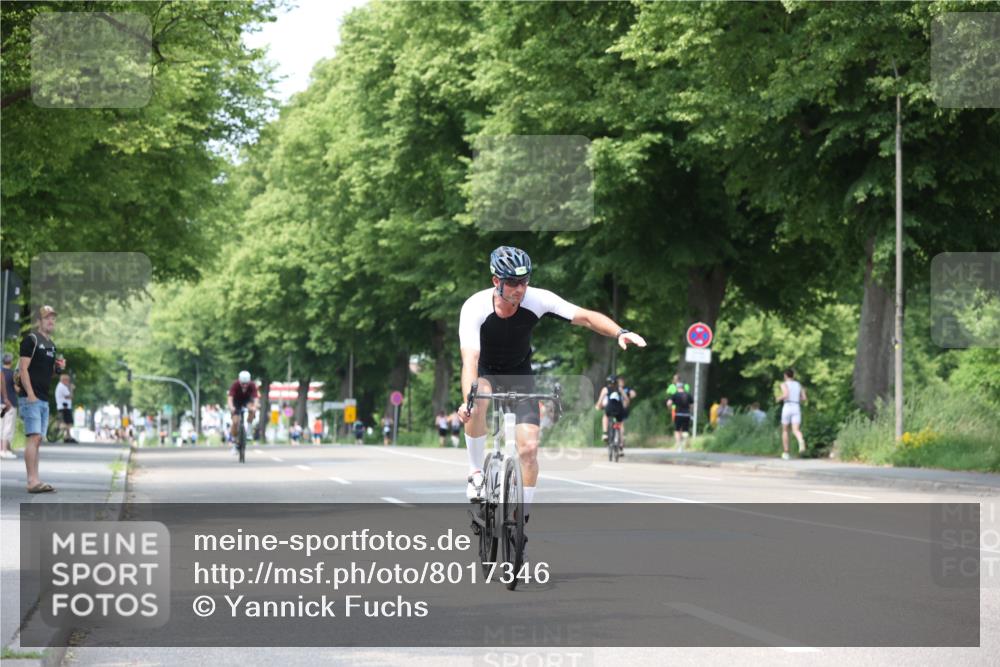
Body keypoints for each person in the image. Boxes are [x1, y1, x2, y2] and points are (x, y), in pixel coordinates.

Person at [457, 246, 646, 523]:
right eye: (512, 283)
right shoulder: (475, 307)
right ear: (496, 281)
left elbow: (585, 317)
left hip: (521, 375)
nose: (519, 289)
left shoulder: (537, 299)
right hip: (484, 371)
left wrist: (620, 331)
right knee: (479, 397)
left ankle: (521, 517)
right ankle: (475, 473)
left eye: (524, 281)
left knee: (529, 449)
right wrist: (467, 402)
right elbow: (470, 361)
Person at [17, 306, 65, 493]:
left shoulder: (51, 345)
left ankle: (36, 479)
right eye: (47, 318)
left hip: (44, 398)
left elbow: (48, 373)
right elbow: (23, 369)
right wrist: (29, 394)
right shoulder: (31, 340)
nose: (51, 321)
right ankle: (31, 481)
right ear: (39, 321)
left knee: (38, 439)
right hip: (31, 397)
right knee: (33, 436)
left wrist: (58, 368)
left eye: (53, 318)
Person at [777, 369, 808, 459]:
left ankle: (786, 452)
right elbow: (804, 398)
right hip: (796, 406)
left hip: (788, 406)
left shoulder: (784, 384)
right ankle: (800, 440)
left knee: (785, 430)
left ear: (785, 376)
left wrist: (779, 398)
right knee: (796, 430)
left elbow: (786, 394)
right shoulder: (798, 385)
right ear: (793, 376)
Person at [227, 370, 259, 454]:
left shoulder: (252, 385)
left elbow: (256, 398)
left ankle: (249, 429)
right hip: (236, 402)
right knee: (235, 421)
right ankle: (235, 441)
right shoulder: (235, 385)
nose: (244, 386)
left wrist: (255, 407)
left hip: (247, 401)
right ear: (239, 381)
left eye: (246, 384)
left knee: (252, 409)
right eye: (242, 384)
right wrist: (231, 407)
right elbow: (230, 398)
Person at [595, 375, 626, 450]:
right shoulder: (620, 389)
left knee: (605, 416)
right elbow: (626, 399)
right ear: (616, 382)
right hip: (619, 409)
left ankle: (605, 434)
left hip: (609, 408)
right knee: (620, 424)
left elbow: (600, 401)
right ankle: (621, 443)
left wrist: (598, 406)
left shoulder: (605, 389)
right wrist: (624, 406)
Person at [666, 383, 693, 451]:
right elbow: (691, 405)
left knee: (677, 430)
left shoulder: (675, 395)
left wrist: (669, 408)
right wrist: (689, 411)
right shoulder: (688, 395)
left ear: (677, 388)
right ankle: (684, 443)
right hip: (687, 415)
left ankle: (679, 447)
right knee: (685, 430)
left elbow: (669, 403)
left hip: (678, 414)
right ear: (683, 388)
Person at [1, 353, 19, 459]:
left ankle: (2, 450)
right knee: (7, 427)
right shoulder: (13, 374)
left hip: (1, 403)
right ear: (11, 362)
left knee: (1, 426)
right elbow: (17, 389)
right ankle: (4, 450)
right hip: (10, 404)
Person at [54, 374, 78, 443]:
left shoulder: (60, 386)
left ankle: (67, 437)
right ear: (64, 380)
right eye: (68, 380)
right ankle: (60, 427)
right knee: (69, 423)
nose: (68, 382)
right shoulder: (62, 387)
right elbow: (70, 396)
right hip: (65, 407)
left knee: (68, 422)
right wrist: (71, 389)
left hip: (63, 407)